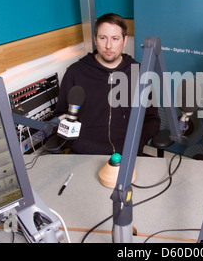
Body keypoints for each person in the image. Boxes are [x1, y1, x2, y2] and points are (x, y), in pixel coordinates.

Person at [54, 13, 160, 155]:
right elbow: (62, 117)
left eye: (115, 39)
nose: (108, 46)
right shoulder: (75, 73)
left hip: (128, 155)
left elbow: (151, 119)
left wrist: (136, 144)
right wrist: (78, 145)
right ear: (95, 39)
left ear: (124, 40)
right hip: (85, 155)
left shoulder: (140, 73)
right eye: (103, 38)